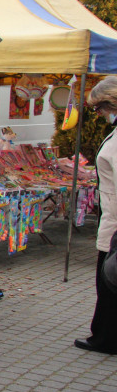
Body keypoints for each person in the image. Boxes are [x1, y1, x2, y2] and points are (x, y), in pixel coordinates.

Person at [76, 77, 117, 354]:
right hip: (112, 218)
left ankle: (105, 338)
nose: (99, 114)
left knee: (109, 280)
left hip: (115, 223)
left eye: (98, 108)